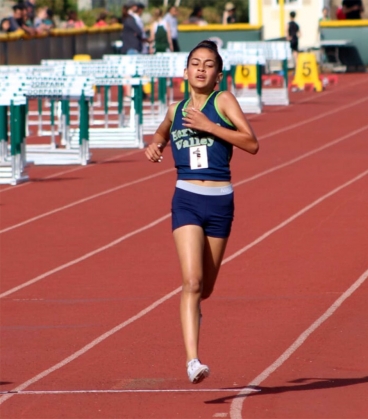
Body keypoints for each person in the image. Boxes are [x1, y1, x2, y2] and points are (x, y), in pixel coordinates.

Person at [144, 40, 259, 384]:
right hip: (186, 199)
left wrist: (209, 126)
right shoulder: (174, 110)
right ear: (185, 71)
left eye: (208, 65)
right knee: (191, 282)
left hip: (220, 201)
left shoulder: (222, 101)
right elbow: (161, 135)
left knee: (204, 288)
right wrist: (155, 145)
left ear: (218, 75)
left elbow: (251, 142)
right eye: (195, 63)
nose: (201, 69)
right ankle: (193, 360)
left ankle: (195, 310)